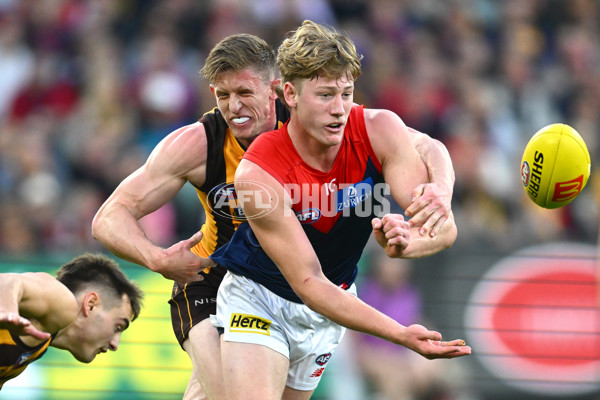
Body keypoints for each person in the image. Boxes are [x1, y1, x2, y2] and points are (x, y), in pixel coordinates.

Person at [92, 34, 456, 400]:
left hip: (311, 286)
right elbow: (108, 217)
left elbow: (426, 146)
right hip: (214, 279)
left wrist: (440, 190)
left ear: (276, 91)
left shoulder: (316, 116)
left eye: (244, 93)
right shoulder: (199, 144)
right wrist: (156, 257)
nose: (233, 107)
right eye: (222, 96)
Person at [209, 20, 471, 400]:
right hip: (260, 297)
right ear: (290, 94)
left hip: (330, 309)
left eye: (346, 93)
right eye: (326, 95)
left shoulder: (378, 129)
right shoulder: (259, 170)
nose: (339, 110)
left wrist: (406, 243)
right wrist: (398, 333)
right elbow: (310, 282)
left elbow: (443, 228)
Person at [0, 253, 143, 389]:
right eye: (118, 327)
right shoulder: (63, 303)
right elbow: (7, 281)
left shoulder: (38, 347)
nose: (115, 344)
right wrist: (7, 309)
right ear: (91, 304)